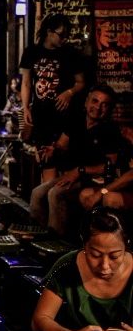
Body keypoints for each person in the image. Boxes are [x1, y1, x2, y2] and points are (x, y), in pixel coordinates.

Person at [27, 208, 133, 331]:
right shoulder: (67, 266)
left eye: (114, 256)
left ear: (126, 246)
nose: (104, 266)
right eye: (95, 255)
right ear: (84, 244)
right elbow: (40, 319)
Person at [31, 85, 121, 239]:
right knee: (37, 193)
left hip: (93, 180)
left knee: (55, 193)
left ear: (109, 109)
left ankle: (56, 242)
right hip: (72, 176)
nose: (98, 107)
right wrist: (52, 149)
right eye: (95, 101)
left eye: (104, 105)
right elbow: (61, 144)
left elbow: (111, 165)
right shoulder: (76, 119)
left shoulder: (110, 130)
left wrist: (80, 170)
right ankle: (37, 238)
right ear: (86, 102)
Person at [20, 13, 86, 182]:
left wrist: (69, 93)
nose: (64, 39)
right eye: (61, 34)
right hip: (41, 115)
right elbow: (26, 83)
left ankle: (57, 194)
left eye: (66, 35)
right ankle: (47, 193)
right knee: (46, 162)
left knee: (63, 159)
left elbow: (81, 82)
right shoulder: (31, 52)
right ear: (49, 31)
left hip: (65, 116)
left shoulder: (71, 53)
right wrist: (25, 107)